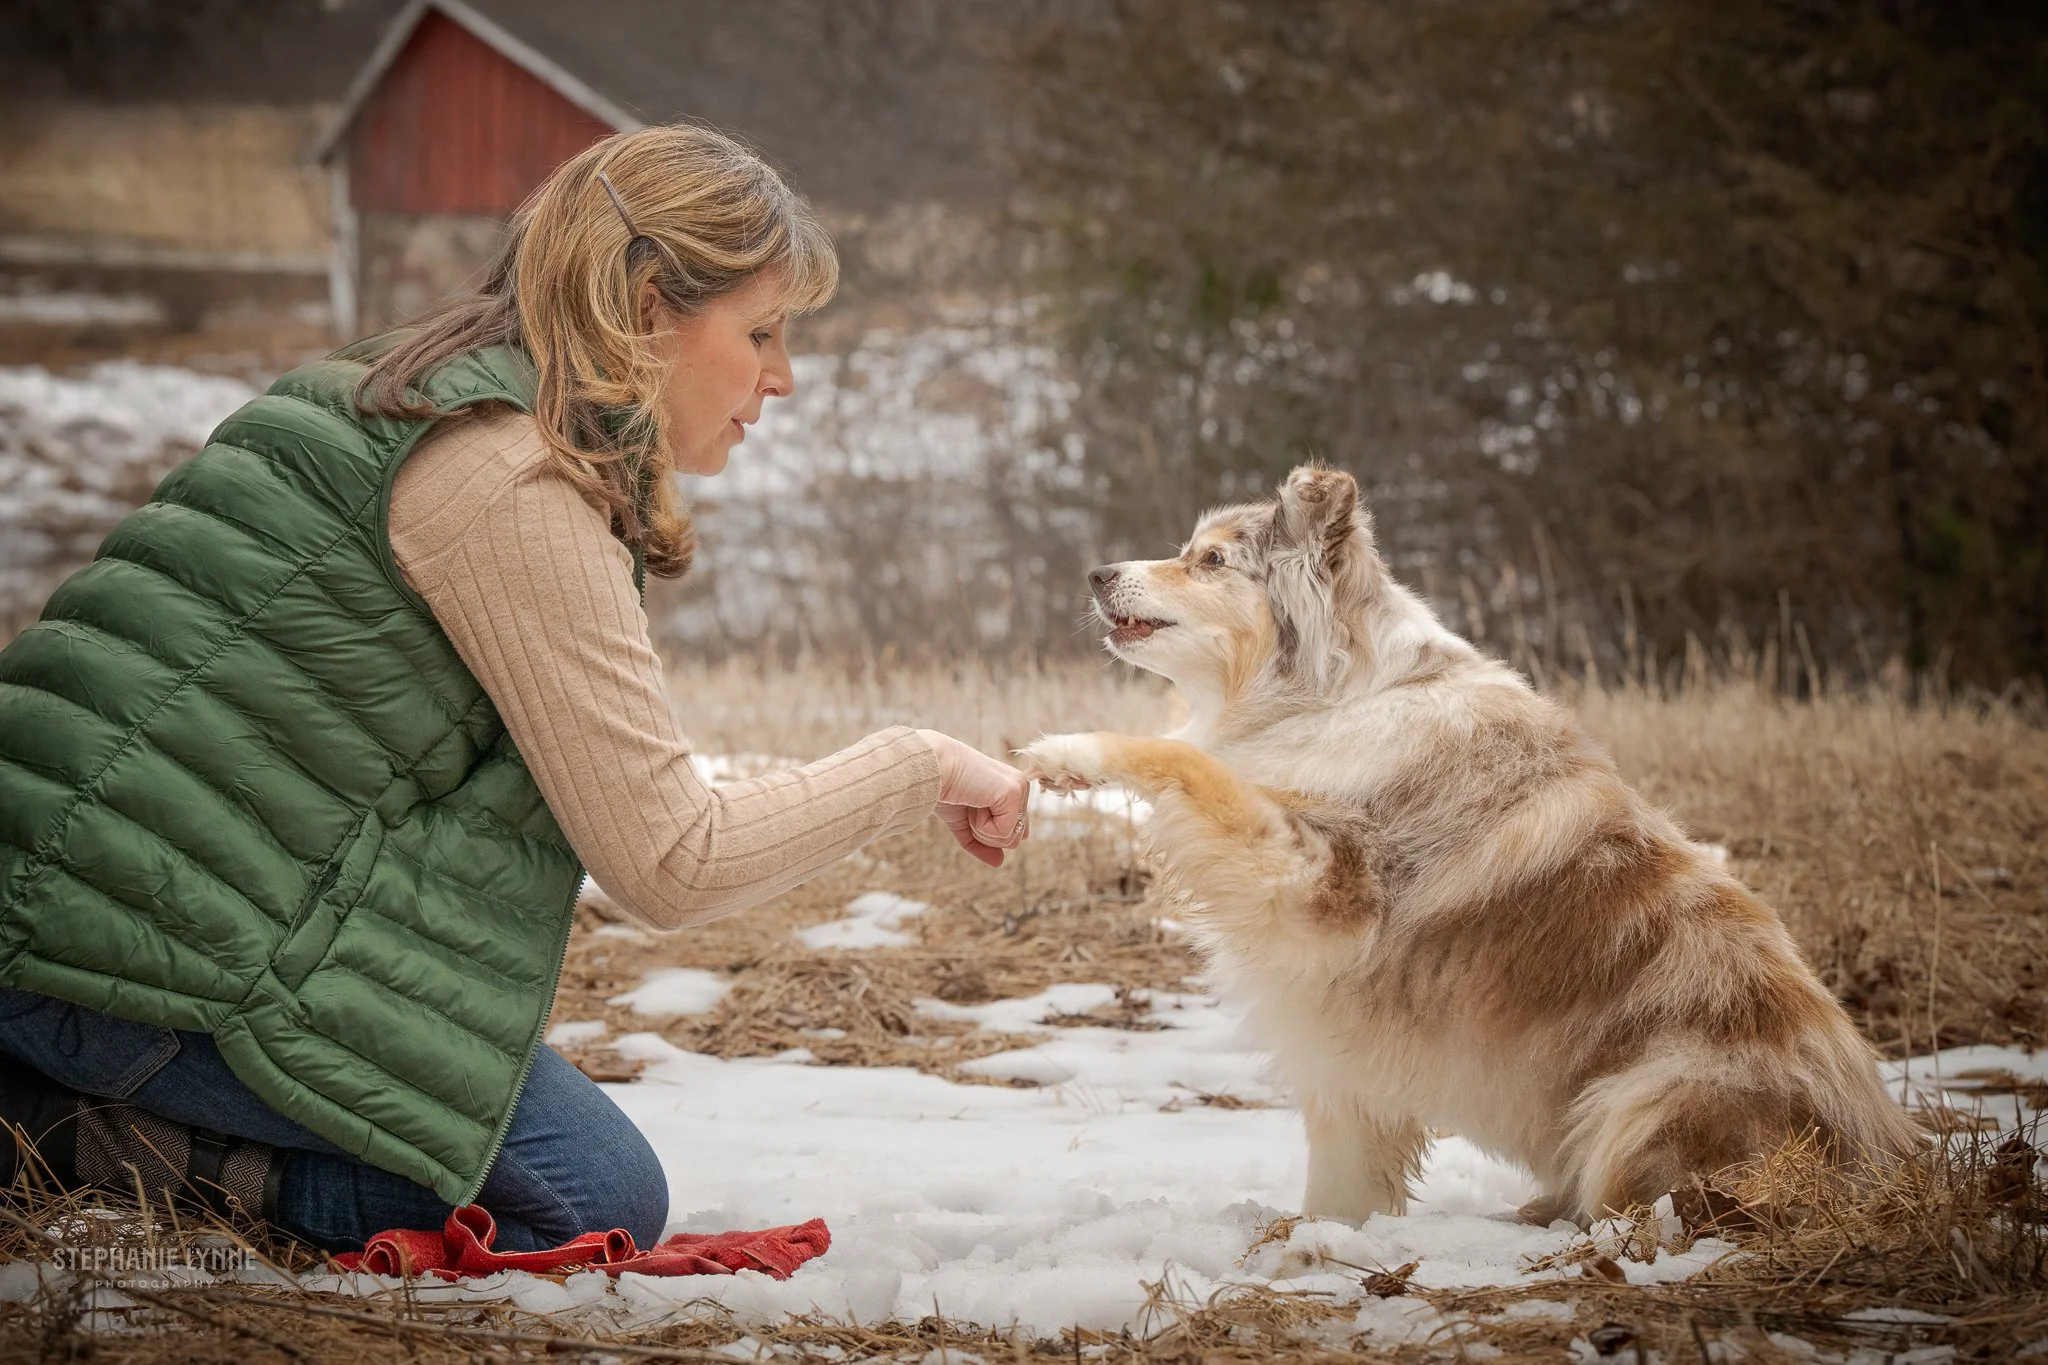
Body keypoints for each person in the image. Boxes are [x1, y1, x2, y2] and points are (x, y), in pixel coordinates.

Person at [0, 123, 1032, 1254]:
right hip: (86, 958)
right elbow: (671, 861)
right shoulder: (509, 479)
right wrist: (918, 765)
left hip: (82, 907)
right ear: (647, 308)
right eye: (762, 331)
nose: (780, 375)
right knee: (582, 1199)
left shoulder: (405, 388)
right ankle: (39, 1132)